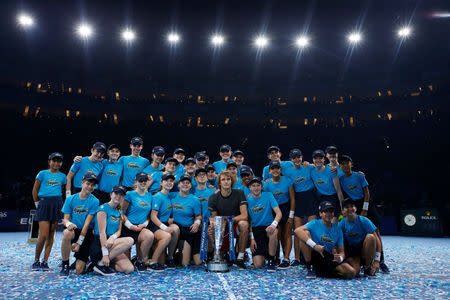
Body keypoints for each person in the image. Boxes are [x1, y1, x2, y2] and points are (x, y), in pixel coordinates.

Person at [338, 155, 389, 273]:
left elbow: (367, 193)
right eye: (342, 164)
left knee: (375, 232)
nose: (345, 165)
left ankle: (380, 261)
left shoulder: (359, 176)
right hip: (353, 204)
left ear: (352, 164)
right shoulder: (340, 179)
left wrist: (365, 209)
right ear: (340, 166)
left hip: (366, 203)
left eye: (347, 163)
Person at [294, 201, 355, 279]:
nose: (329, 214)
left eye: (331, 211)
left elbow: (342, 252)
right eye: (326, 211)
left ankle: (323, 271)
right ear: (320, 214)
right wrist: (315, 246)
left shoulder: (338, 229)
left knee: (351, 272)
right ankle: (310, 267)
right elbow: (297, 230)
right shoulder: (314, 223)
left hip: (326, 256)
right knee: (305, 233)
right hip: (313, 253)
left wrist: (340, 258)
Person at [31, 152, 66, 271]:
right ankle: (36, 260)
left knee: (51, 234)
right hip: (44, 204)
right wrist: (38, 205)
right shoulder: (42, 173)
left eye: (59, 161)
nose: (56, 163)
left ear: (61, 163)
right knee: (43, 235)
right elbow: (35, 190)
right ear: (49, 162)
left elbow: (62, 190)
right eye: (54, 161)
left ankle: (45, 261)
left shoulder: (63, 176)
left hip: (57, 204)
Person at [60, 173, 100, 276]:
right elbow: (65, 219)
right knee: (66, 233)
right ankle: (65, 265)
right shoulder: (70, 199)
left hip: (86, 234)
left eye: (93, 185)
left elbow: (86, 225)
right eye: (88, 183)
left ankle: (87, 260)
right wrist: (68, 223)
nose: (90, 187)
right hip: (74, 230)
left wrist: (79, 242)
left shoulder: (95, 201)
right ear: (82, 183)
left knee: (79, 271)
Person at [208, 170, 249, 269]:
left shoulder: (239, 193)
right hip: (222, 226)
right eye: (223, 180)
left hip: (235, 224)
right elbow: (214, 218)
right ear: (219, 183)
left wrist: (229, 220)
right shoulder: (213, 198)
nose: (226, 182)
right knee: (212, 226)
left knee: (244, 224)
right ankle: (218, 254)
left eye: (228, 179)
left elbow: (244, 215)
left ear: (232, 181)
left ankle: (240, 258)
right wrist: (221, 224)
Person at [90, 185, 134, 275]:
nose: (118, 196)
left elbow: (119, 231)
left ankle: (105, 263)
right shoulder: (102, 209)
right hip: (100, 243)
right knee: (130, 240)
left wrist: (112, 237)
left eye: (121, 195)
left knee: (129, 269)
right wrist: (105, 254)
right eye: (116, 193)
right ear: (111, 194)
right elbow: (102, 233)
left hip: (111, 243)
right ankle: (101, 263)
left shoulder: (119, 211)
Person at [285, 148, 317, 267]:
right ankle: (297, 258)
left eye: (298, 157)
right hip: (298, 200)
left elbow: (321, 169)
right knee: (298, 231)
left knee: (311, 230)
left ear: (302, 157)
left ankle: (312, 256)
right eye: (294, 157)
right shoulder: (288, 171)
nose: (297, 159)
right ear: (290, 160)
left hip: (310, 198)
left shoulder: (309, 167)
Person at [263, 161, 295, 269]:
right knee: (277, 234)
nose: (275, 170)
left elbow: (293, 199)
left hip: (286, 208)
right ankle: (276, 257)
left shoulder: (288, 181)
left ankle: (286, 259)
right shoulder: (266, 185)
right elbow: (266, 201)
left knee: (287, 233)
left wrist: (291, 215)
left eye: (277, 168)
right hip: (274, 209)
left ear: (280, 170)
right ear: (270, 171)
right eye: (273, 169)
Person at [121, 172, 156, 271]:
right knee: (127, 266)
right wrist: (130, 226)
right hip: (128, 227)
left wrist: (144, 224)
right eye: (141, 181)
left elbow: (149, 215)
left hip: (141, 227)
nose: (143, 183)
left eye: (145, 181)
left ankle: (140, 260)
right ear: (136, 182)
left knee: (149, 236)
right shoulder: (129, 194)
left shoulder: (149, 196)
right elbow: (122, 213)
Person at [338, 199, 381, 277]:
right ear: (343, 211)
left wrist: (377, 260)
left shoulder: (364, 221)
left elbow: (377, 240)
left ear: (356, 209)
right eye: (347, 207)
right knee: (355, 272)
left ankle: (367, 267)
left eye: (352, 206)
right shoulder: (341, 225)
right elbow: (339, 244)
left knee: (371, 237)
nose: (350, 209)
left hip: (364, 249)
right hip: (351, 251)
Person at [247, 177, 281, 271]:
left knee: (273, 232)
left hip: (268, 227)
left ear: (261, 186)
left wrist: (273, 225)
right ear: (250, 187)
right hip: (256, 230)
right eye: (253, 186)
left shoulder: (268, 195)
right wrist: (252, 238)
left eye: (258, 185)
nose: (256, 188)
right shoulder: (247, 200)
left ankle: (271, 260)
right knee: (258, 265)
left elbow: (279, 213)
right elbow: (248, 220)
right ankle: (266, 254)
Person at [171, 175, 203, 266]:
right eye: (183, 183)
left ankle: (182, 253)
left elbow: (198, 215)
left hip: (188, 231)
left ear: (190, 185)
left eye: (188, 183)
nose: (185, 184)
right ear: (178, 185)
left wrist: (197, 223)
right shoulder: (171, 196)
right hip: (176, 230)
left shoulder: (195, 200)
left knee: (190, 263)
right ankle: (172, 254)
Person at [149, 174, 180, 268]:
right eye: (167, 181)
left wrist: (169, 220)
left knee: (175, 228)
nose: (169, 183)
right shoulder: (158, 196)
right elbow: (153, 216)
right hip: (155, 226)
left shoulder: (169, 196)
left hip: (165, 224)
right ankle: (153, 262)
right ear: (161, 183)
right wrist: (164, 227)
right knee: (167, 235)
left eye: (171, 181)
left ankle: (170, 257)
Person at [310, 150, 344, 224]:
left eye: (320, 158)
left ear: (324, 159)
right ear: (313, 160)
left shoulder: (331, 170)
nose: (318, 160)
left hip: (334, 198)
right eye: (316, 158)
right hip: (322, 200)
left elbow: (338, 190)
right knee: (323, 225)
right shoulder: (311, 171)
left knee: (333, 225)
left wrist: (343, 208)